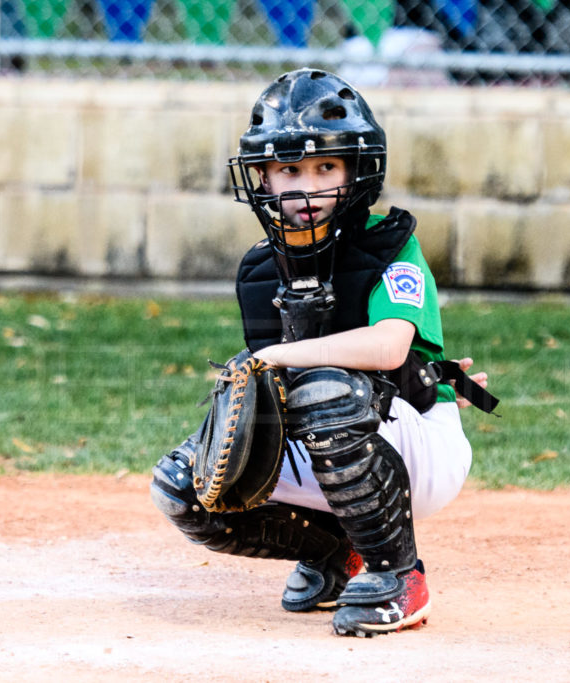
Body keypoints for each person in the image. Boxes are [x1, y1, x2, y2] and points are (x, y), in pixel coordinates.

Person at [149, 68, 494, 638]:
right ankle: (338, 552)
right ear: (261, 178)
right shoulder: (261, 269)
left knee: (323, 387)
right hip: (329, 441)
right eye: (288, 170)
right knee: (184, 487)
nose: (306, 188)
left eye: (325, 167)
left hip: (417, 445)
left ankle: (398, 574)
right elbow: (270, 387)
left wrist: (280, 358)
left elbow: (388, 347)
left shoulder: (391, 244)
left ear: (357, 172)